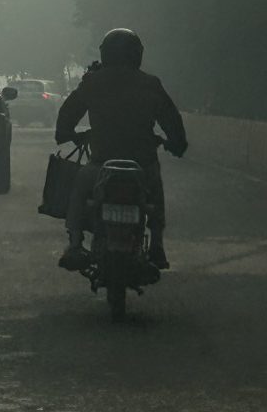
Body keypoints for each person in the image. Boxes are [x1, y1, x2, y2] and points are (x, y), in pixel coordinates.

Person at [55, 28, 187, 272]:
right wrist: (177, 144)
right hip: (142, 167)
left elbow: (68, 113)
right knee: (155, 194)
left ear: (105, 54)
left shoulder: (93, 82)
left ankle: (74, 243)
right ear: (136, 54)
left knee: (79, 189)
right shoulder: (149, 84)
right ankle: (157, 244)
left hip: (100, 167)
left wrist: (66, 135)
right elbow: (172, 120)